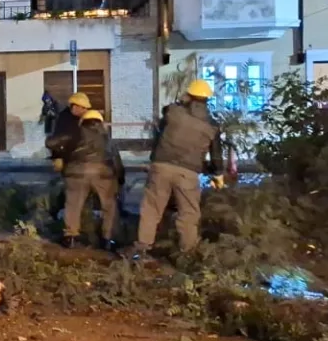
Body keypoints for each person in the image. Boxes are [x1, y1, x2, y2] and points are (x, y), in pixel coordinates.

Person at [134, 79, 223, 257]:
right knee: (188, 213)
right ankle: (188, 253)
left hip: (161, 167)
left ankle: (142, 248)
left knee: (151, 209)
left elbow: (160, 129)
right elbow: (216, 154)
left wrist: (181, 102)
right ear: (207, 100)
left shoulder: (172, 111)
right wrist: (218, 174)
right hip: (188, 173)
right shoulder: (212, 125)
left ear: (189, 95)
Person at [46, 108, 123, 252]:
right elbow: (116, 160)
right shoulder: (106, 138)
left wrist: (60, 151)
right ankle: (108, 239)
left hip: (76, 173)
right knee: (109, 206)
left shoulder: (75, 133)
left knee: (73, 205)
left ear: (82, 121)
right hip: (102, 174)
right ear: (100, 122)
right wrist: (120, 178)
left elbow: (51, 142)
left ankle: (70, 237)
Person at [46, 91, 91, 223]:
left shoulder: (82, 118)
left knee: (74, 188)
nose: (85, 111)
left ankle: (66, 213)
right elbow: (57, 139)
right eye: (83, 108)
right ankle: (57, 211)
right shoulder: (65, 119)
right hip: (69, 158)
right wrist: (57, 157)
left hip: (80, 159)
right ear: (75, 107)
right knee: (71, 188)